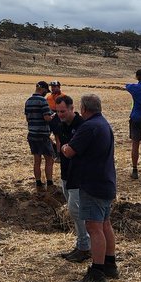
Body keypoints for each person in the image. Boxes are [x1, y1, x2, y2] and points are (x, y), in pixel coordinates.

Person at [62, 94, 117, 282]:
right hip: (105, 181)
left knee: (94, 228)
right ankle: (110, 265)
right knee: (104, 225)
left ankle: (97, 271)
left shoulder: (89, 127)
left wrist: (64, 147)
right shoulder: (103, 124)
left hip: (92, 183)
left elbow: (70, 151)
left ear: (84, 109)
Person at [49, 95, 89, 263]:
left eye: (63, 111)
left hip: (79, 175)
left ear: (73, 108)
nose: (60, 115)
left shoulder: (82, 125)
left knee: (75, 209)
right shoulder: (59, 123)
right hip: (66, 172)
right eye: (58, 112)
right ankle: (82, 244)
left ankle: (85, 246)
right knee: (74, 211)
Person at [25, 80, 55, 189]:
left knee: (37, 160)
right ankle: (50, 182)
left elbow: (28, 118)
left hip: (32, 134)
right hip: (42, 134)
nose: (46, 94)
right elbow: (47, 118)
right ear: (42, 89)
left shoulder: (28, 101)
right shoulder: (43, 101)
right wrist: (53, 116)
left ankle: (38, 182)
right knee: (49, 159)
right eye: (46, 91)